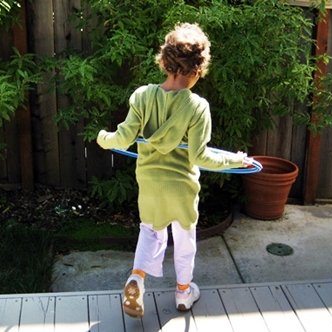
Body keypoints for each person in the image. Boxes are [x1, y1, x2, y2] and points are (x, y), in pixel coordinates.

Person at [96, 22, 253, 318]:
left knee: (150, 232)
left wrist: (104, 139)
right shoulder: (197, 107)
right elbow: (201, 156)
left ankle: (136, 279)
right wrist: (235, 160)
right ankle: (183, 293)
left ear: (166, 62)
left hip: (151, 183)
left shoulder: (142, 96)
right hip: (181, 187)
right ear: (197, 69)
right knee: (184, 240)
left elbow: (123, 138)